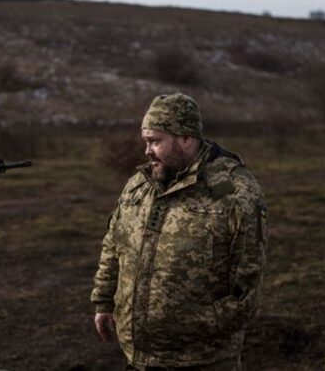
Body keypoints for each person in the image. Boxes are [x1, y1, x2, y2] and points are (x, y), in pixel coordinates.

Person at [91, 93, 268, 370]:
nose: (147, 151)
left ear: (185, 137)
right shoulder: (139, 185)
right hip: (138, 358)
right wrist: (104, 301)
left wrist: (196, 326)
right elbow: (114, 245)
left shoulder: (234, 191)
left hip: (201, 360)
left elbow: (247, 282)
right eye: (146, 141)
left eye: (155, 141)